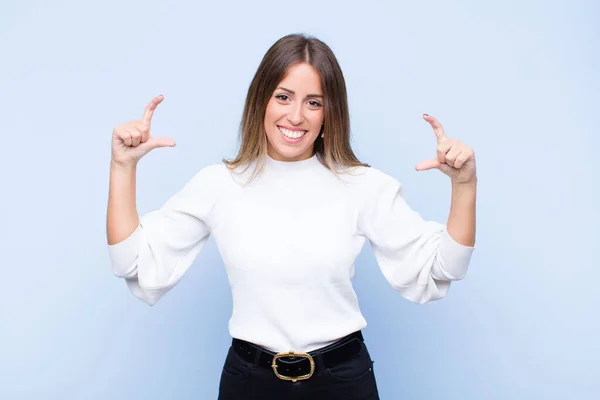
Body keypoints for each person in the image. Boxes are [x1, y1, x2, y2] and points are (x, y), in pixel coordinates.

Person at [106, 33, 476, 400]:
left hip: (342, 382)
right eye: (283, 97)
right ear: (261, 101)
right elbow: (134, 264)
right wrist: (122, 167)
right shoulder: (218, 184)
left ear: (329, 112)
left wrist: (464, 185)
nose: (295, 116)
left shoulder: (363, 186)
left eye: (313, 102)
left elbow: (443, 268)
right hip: (248, 382)